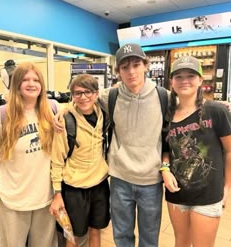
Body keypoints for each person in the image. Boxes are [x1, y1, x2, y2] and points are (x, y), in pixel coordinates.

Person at [97, 43, 166, 247]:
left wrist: (217, 107)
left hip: (152, 180)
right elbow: (81, 101)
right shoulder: (110, 96)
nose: (131, 72)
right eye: (125, 67)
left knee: (149, 239)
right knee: (122, 236)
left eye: (136, 65)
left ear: (146, 65)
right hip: (120, 179)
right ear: (117, 71)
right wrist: (62, 111)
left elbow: (189, 108)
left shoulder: (164, 97)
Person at [161, 56, 231, 247]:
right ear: (171, 82)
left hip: (208, 195)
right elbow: (166, 151)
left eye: (191, 75)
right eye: (179, 76)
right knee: (181, 242)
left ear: (200, 80)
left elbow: (229, 151)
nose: (185, 81)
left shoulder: (216, 111)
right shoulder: (167, 116)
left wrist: (227, 188)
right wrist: (165, 170)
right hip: (177, 194)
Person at [0, 62, 58, 247]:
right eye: (25, 79)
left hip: (45, 198)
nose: (32, 84)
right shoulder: (1, 114)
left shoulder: (52, 109)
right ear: (16, 84)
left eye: (36, 79)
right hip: (12, 198)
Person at [50, 74, 110, 247]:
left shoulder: (103, 113)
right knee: (72, 235)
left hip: (99, 183)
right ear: (72, 96)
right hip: (74, 188)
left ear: (96, 94)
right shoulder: (65, 121)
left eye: (88, 92)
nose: (83, 97)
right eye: (77, 93)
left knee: (96, 229)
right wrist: (57, 193)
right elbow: (57, 159)